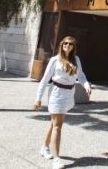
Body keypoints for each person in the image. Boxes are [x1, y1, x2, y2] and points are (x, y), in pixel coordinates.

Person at [34, 35, 92, 168]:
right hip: (56, 94)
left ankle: (44, 147)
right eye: (65, 43)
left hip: (69, 94)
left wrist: (86, 85)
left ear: (73, 47)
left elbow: (81, 75)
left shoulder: (76, 59)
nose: (67, 45)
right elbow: (44, 79)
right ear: (61, 45)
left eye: (70, 44)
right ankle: (56, 159)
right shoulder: (55, 60)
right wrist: (38, 98)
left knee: (54, 123)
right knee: (58, 126)